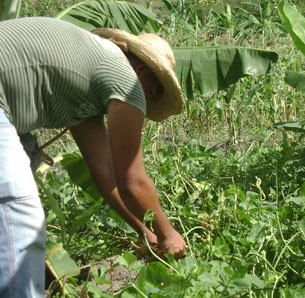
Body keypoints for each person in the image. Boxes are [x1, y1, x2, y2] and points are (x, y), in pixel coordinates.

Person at [0, 17, 186, 297]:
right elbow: (131, 181)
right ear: (142, 70)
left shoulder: (91, 80)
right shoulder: (126, 80)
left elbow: (106, 173)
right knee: (21, 216)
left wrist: (145, 232)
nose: (147, 101)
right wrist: (167, 233)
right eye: (153, 91)